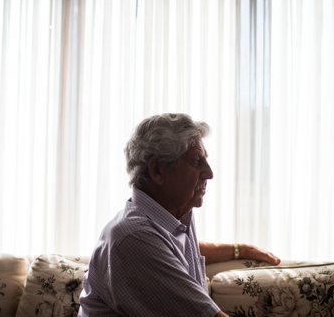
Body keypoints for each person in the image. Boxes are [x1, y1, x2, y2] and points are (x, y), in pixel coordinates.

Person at [78, 113, 280, 317]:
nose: (209, 173)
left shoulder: (172, 215)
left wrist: (241, 250)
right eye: (197, 161)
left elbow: (173, 249)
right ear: (157, 170)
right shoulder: (133, 238)